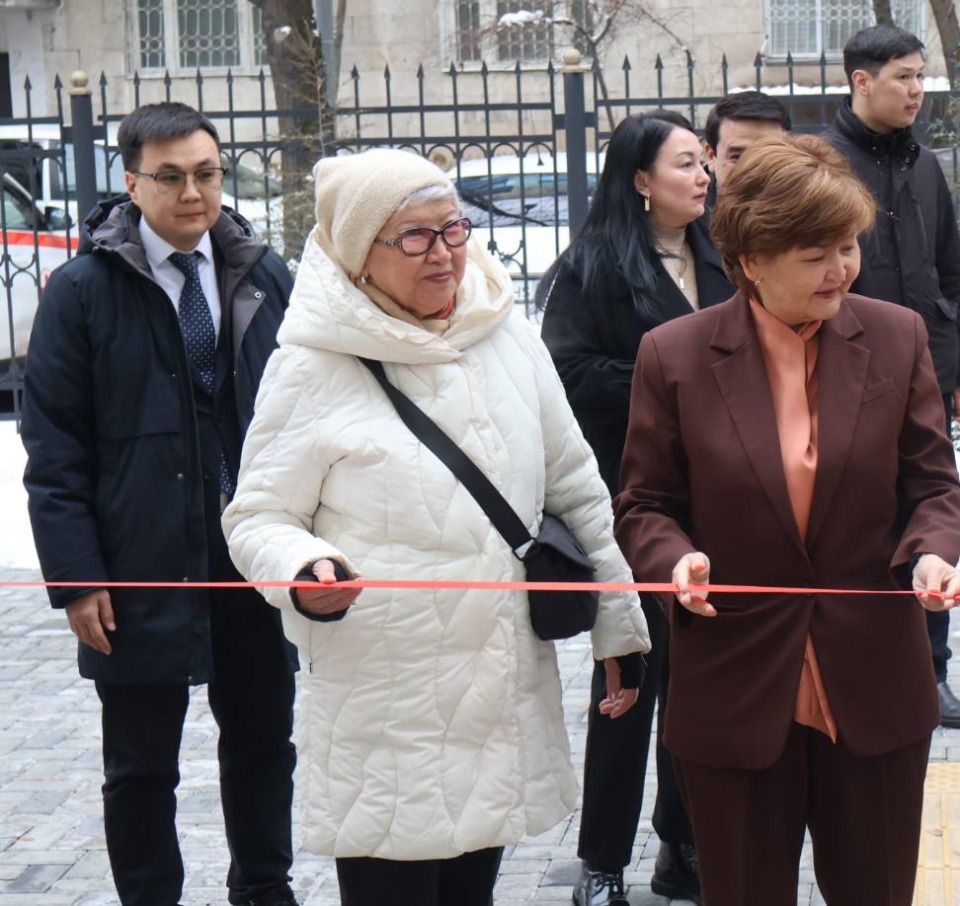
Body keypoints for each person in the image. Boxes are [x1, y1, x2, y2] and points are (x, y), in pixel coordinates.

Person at [223, 147, 651, 906]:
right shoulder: (313, 365)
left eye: (453, 229)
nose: (446, 253)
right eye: (414, 237)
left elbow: (578, 490)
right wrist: (303, 569)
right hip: (385, 701)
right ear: (359, 256)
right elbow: (259, 514)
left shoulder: (506, 334)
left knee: (471, 890)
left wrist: (619, 625)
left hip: (499, 688)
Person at [614, 134, 960, 905]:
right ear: (751, 259)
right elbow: (646, 503)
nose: (841, 269)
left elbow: (933, 486)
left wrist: (930, 555)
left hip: (873, 678)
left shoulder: (895, 336)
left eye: (848, 246)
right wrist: (673, 560)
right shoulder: (673, 357)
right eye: (815, 254)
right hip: (735, 680)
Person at [20, 102, 299, 906]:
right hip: (136, 558)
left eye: (207, 174)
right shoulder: (82, 292)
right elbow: (55, 449)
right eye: (171, 177)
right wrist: (75, 576)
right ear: (133, 183)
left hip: (252, 552)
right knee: (140, 765)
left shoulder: (262, 274)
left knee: (262, 745)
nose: (193, 194)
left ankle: (264, 890)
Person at [539, 109, 736, 906]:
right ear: (639, 180)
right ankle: (603, 861)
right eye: (686, 164)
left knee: (702, 685)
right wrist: (669, 382)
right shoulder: (591, 268)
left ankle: (680, 846)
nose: (703, 176)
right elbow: (571, 375)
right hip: (633, 500)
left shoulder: (722, 257)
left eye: (705, 163)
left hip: (720, 505)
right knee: (629, 680)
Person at [822, 23, 960, 729]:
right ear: (862, 80)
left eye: (922, 77)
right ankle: (851, 664)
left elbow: (952, 269)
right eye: (904, 77)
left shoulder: (923, 164)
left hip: (927, 374)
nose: (918, 91)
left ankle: (930, 671)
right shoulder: (822, 163)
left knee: (929, 515)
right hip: (841, 373)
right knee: (851, 522)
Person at [702, 90, 791, 207]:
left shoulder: (811, 213)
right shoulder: (683, 219)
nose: (752, 171)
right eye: (737, 157)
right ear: (711, 156)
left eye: (768, 156)